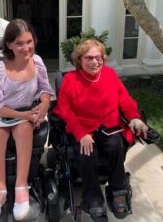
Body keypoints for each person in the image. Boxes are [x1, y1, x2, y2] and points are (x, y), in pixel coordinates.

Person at [53, 39, 148, 221]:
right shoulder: (70, 80)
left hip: (108, 128)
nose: (95, 62)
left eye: (99, 58)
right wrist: (81, 133)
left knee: (116, 145)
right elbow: (63, 110)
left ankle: (117, 189)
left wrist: (134, 117)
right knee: (87, 154)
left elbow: (125, 101)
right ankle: (93, 198)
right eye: (89, 58)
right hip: (82, 129)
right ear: (79, 60)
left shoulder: (110, 75)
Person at [0, 19, 54, 222]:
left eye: (29, 41)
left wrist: (46, 102)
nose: (26, 47)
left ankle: (21, 186)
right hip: (0, 114)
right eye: (20, 43)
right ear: (8, 45)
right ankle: (0, 189)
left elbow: (44, 90)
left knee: (23, 128)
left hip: (25, 115)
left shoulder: (37, 62)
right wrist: (24, 115)